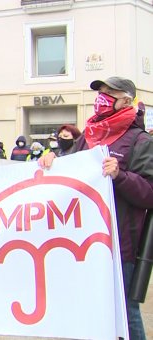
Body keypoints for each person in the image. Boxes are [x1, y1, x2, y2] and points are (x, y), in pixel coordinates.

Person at [40, 77, 153, 339]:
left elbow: (149, 193)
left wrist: (120, 176)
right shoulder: (89, 136)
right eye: (100, 93)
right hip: (85, 241)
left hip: (121, 242)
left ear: (126, 100)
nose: (101, 97)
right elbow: (72, 172)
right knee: (91, 305)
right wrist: (53, 161)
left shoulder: (140, 141)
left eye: (109, 93)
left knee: (126, 310)